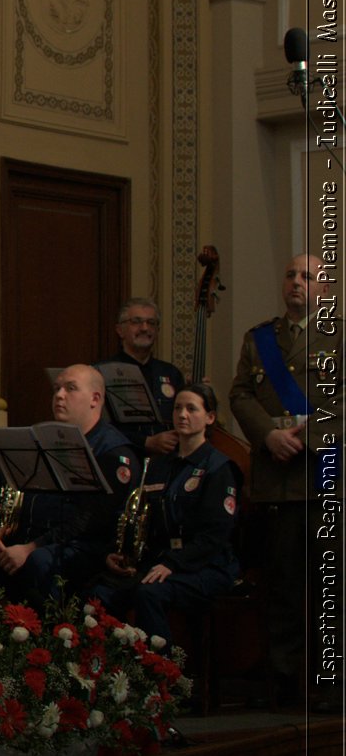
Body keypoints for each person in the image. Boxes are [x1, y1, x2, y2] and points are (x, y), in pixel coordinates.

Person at [229, 253, 334, 708]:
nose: (296, 282)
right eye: (291, 274)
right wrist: (269, 435)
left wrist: (306, 435)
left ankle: (331, 685)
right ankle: (286, 685)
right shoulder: (260, 340)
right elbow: (239, 393)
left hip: (329, 477)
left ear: (324, 289)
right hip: (277, 479)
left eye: (307, 276)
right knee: (284, 589)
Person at [90, 382, 239, 645]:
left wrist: (173, 563)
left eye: (192, 409)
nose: (182, 415)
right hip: (162, 560)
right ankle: (110, 671)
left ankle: (162, 674)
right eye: (178, 408)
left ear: (210, 418)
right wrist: (122, 552)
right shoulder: (159, 465)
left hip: (205, 566)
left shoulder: (218, 467)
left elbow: (215, 536)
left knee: (150, 593)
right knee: (103, 592)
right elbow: (143, 520)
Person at [0, 364, 140, 602]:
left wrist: (30, 548)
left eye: (70, 388)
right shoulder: (51, 441)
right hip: (41, 538)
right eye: (57, 388)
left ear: (95, 398)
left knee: (39, 562)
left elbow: (89, 522)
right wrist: (2, 532)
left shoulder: (113, 452)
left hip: (84, 548)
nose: (59, 395)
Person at [99, 298, 184, 456]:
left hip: (166, 463)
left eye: (151, 323)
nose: (145, 328)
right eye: (136, 322)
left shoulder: (171, 373)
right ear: (119, 330)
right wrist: (146, 442)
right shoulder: (101, 372)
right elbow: (99, 426)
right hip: (120, 459)